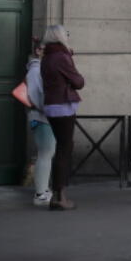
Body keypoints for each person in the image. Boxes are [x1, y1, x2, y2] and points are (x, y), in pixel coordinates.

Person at [41, 25, 84, 211]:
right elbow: (79, 82)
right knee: (64, 150)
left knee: (61, 148)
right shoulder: (61, 57)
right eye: (66, 34)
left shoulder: (48, 56)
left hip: (51, 104)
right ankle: (59, 196)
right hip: (63, 106)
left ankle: (57, 195)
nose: (68, 36)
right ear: (60, 37)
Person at [25, 40, 56, 207]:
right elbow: (37, 96)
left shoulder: (37, 69)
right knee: (45, 153)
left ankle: (42, 190)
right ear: (38, 51)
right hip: (41, 116)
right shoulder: (36, 70)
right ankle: (40, 193)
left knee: (46, 153)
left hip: (42, 116)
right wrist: (50, 110)